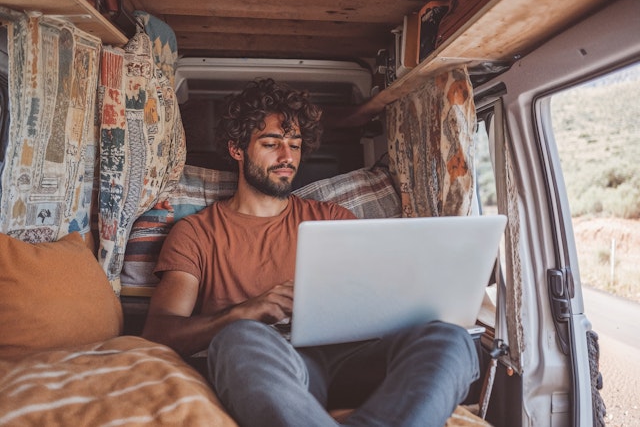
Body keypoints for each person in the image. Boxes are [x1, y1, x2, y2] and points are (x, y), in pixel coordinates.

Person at [143, 79, 479, 427]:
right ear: (237, 150)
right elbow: (158, 333)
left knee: (451, 339)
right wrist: (244, 312)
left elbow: (382, 292)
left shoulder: (332, 219)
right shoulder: (197, 233)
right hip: (270, 366)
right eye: (271, 144)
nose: (287, 157)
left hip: (354, 358)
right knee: (238, 337)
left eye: (295, 145)